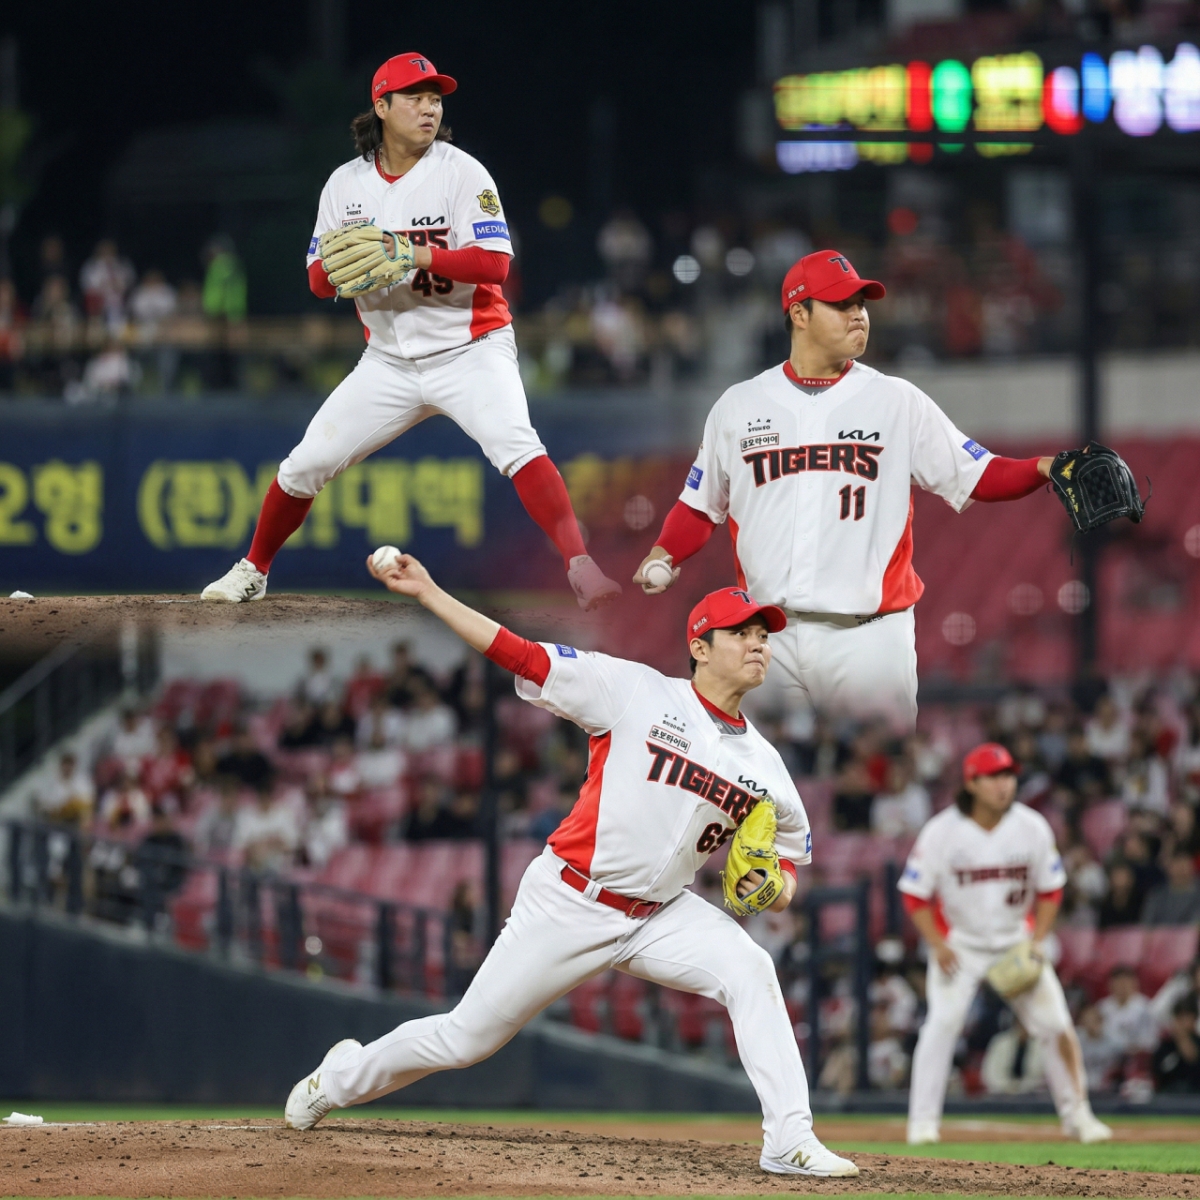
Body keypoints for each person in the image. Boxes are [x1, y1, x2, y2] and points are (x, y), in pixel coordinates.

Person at [283, 551, 858, 1179]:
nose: (758, 645)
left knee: (751, 967)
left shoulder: (767, 766)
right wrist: (429, 593)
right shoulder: (635, 690)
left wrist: (772, 889)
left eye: (763, 635)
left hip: (662, 913)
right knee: (464, 1039)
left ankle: (788, 1140)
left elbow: (787, 868)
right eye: (741, 633)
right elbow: (523, 655)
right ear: (699, 645)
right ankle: (336, 1080)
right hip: (569, 900)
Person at [202, 52, 619, 612]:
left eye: (435, 98)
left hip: (471, 348)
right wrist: (349, 265)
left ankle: (581, 566)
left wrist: (410, 251)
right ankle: (252, 569)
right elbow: (318, 282)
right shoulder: (344, 186)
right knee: (303, 465)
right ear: (381, 106)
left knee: (517, 446)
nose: (429, 108)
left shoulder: (461, 172)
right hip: (388, 362)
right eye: (415, 97)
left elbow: (495, 265)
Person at [634, 251, 1074, 730]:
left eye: (861, 304)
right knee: (757, 793)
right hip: (766, 638)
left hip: (868, 636)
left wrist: (1047, 467)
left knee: (881, 774)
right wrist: (663, 554)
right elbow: (700, 506)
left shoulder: (895, 400)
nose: (859, 315)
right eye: (841, 304)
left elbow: (979, 474)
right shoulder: (738, 406)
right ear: (799, 314)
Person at [899, 742, 1111, 1144]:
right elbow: (915, 894)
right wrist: (938, 944)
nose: (1005, 784)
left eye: (1009, 775)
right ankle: (922, 1123)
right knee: (941, 1025)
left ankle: (1078, 1116)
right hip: (960, 944)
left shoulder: (1031, 826)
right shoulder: (942, 831)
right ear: (972, 783)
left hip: (1015, 941)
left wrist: (1039, 940)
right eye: (995, 776)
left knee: (1056, 1025)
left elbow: (1050, 890)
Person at [1152, 999, 1200, 1093]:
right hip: (1168, 1095)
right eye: (1179, 1018)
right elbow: (1158, 1072)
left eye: (1187, 1017)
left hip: (1195, 1095)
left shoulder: (1197, 1042)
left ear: (1194, 1020)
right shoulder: (1166, 1045)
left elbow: (1193, 1061)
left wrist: (1183, 1039)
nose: (1182, 1022)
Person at [1141, 851, 1200, 926]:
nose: (1181, 870)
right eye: (1177, 865)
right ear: (1169, 869)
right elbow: (1147, 923)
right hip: (1161, 935)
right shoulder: (1156, 895)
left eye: (1185, 865)